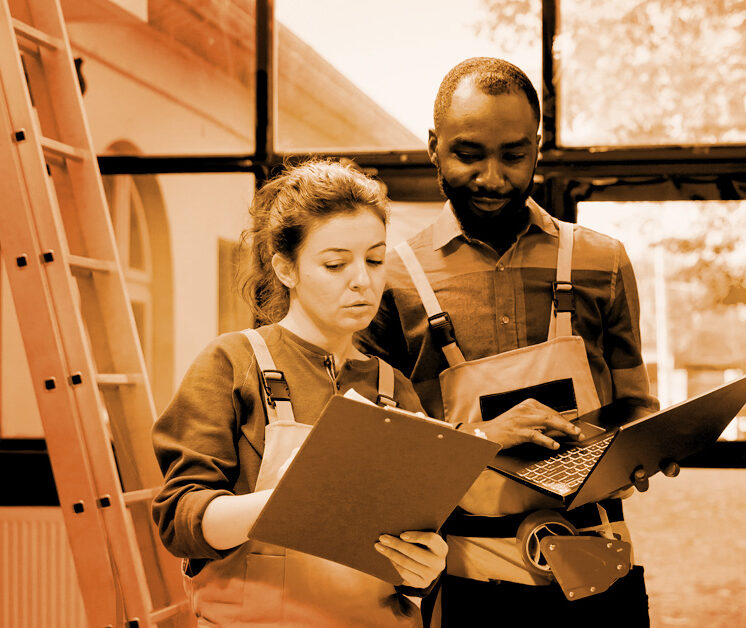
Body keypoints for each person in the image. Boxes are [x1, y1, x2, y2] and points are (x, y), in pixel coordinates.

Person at [354, 58, 658, 627]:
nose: (493, 177)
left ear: (538, 148)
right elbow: (374, 458)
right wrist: (479, 441)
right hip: (466, 580)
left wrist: (647, 449)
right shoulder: (388, 281)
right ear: (432, 146)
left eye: (514, 155)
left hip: (599, 569)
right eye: (469, 154)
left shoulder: (604, 261)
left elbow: (636, 406)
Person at [151, 159, 448, 627]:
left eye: (374, 259)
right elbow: (180, 521)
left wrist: (423, 568)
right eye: (334, 263)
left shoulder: (396, 389)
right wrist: (286, 501)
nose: (362, 280)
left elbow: (410, 546)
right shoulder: (231, 362)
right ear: (285, 268)